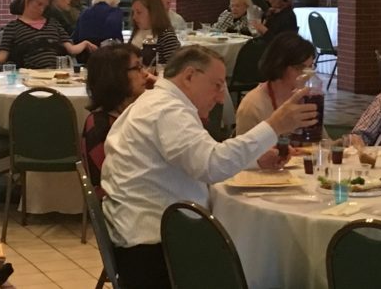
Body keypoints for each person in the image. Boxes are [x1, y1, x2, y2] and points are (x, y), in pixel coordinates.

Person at [100, 45, 318, 288]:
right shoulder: (167, 110)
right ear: (190, 76)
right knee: (267, 263)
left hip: (145, 236)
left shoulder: (158, 102)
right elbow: (212, 166)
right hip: (155, 252)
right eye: (217, 85)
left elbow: (202, 156)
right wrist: (274, 125)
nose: (221, 97)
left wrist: (255, 158)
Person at [82, 43, 147, 198]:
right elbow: (106, 185)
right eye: (137, 68)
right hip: (123, 208)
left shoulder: (138, 112)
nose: (145, 74)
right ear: (115, 76)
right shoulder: (100, 125)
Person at [236, 31, 315, 135]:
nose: (307, 75)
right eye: (300, 68)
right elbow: (245, 150)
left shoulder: (306, 99)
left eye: (310, 67)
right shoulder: (253, 106)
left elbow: (320, 143)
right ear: (280, 65)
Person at [129, 0, 181, 65]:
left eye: (139, 12)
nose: (134, 17)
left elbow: (175, 68)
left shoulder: (166, 36)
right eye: (133, 12)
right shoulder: (136, 32)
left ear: (153, 13)